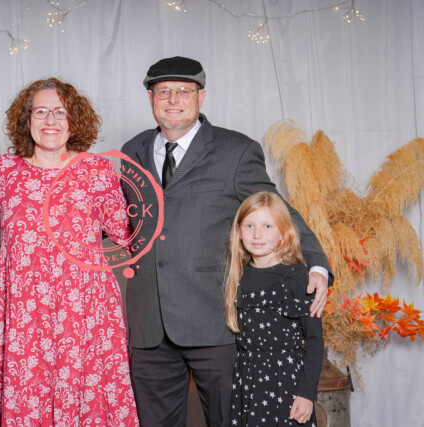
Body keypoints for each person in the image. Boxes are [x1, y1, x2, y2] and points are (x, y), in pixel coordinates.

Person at [119, 56, 333, 427]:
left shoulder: (235, 151)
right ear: (150, 98)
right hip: (149, 324)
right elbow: (122, 219)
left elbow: (277, 209)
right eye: (164, 92)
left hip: (215, 319)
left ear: (201, 96)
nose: (173, 100)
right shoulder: (131, 151)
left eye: (184, 91)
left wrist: (317, 263)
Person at [0, 77, 139, 426]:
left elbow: (127, 235)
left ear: (74, 120)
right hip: (24, 313)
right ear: (26, 119)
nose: (50, 120)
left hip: (85, 312)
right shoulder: (3, 171)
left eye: (60, 112)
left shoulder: (97, 171)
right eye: (41, 111)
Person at [225, 191, 323, 426]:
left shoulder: (298, 277)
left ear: (283, 233)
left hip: (287, 383)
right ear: (238, 231)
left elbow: (315, 341)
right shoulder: (237, 277)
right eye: (249, 225)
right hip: (247, 383)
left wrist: (307, 394)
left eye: (267, 226)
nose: (257, 234)